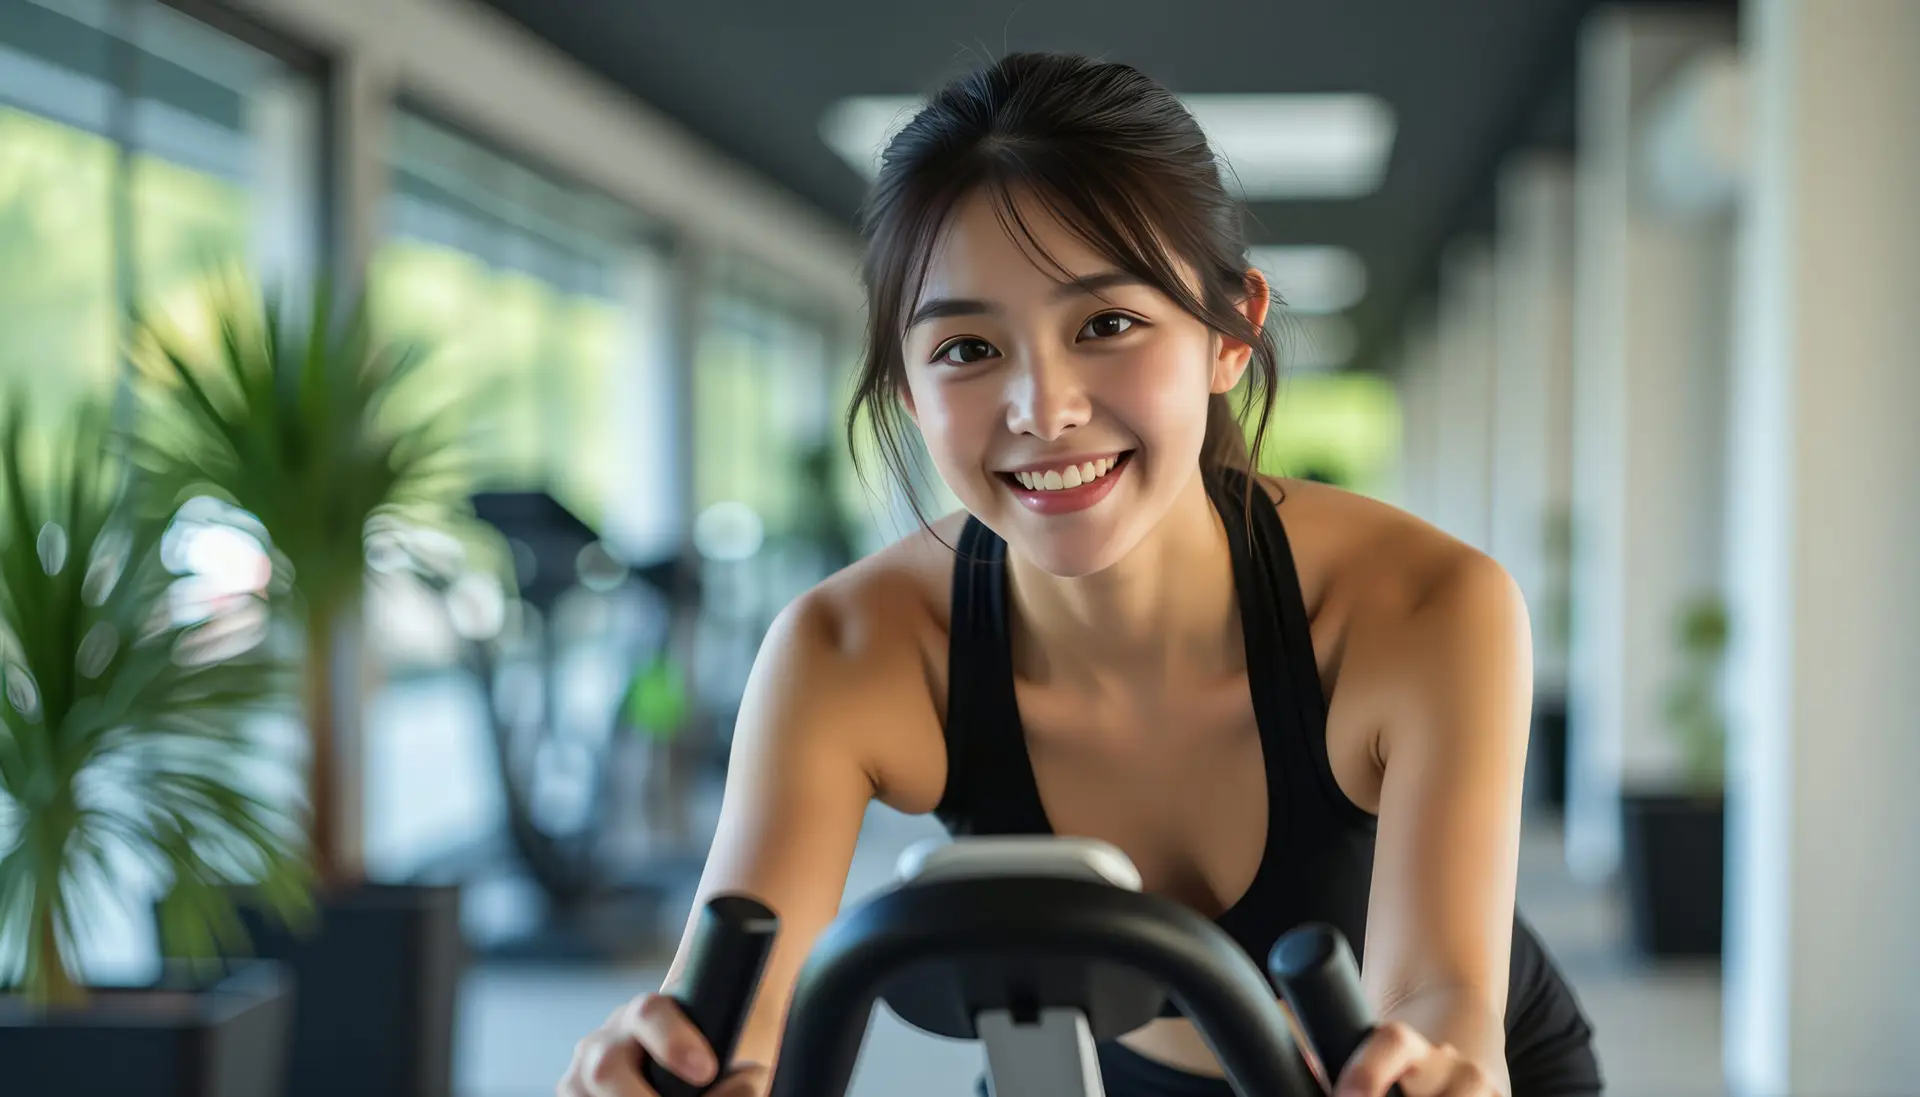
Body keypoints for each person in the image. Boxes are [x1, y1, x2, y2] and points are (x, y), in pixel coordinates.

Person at [560, 51, 1602, 1097]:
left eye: (1107, 324)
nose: (1042, 409)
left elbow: (1439, 1001)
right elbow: (741, 1021)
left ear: (1230, 332)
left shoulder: (1421, 606)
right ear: (910, 388)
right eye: (967, 348)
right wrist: (668, 1067)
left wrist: (1434, 1070)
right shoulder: (849, 649)